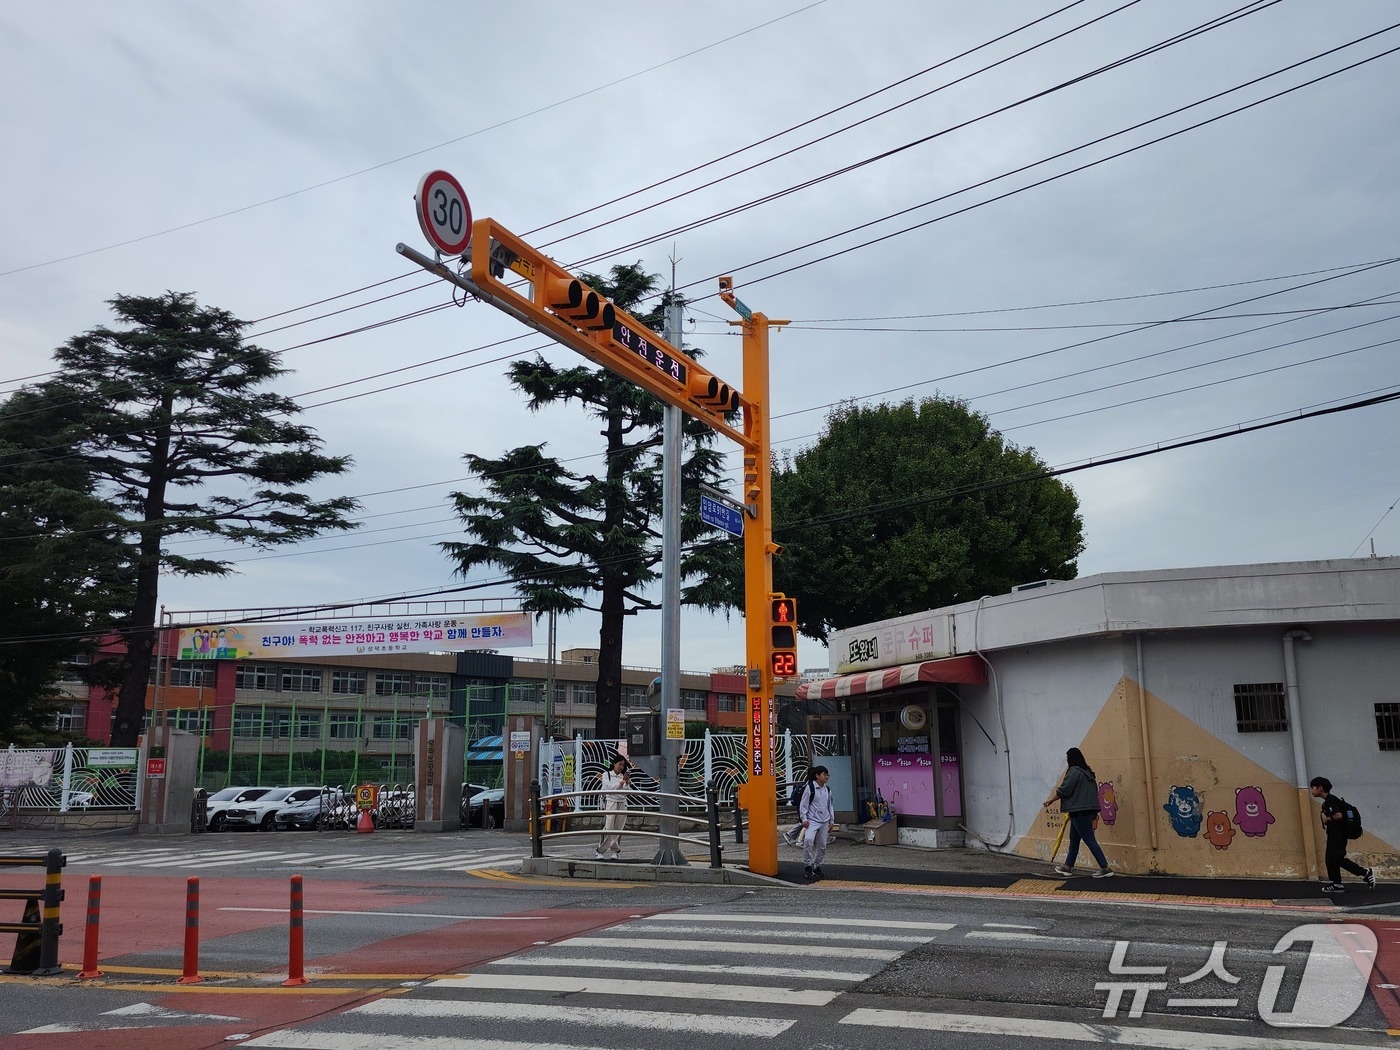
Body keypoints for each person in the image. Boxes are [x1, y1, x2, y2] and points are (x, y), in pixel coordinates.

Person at [1043, 747, 1113, 878]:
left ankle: (1105, 867)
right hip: (1088, 810)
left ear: (1071, 759)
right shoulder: (1088, 773)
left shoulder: (1074, 772)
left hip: (1079, 811)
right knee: (1074, 840)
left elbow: (1065, 789)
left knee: (1089, 840)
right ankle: (1067, 867)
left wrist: (1051, 800)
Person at [1308, 776, 1375, 893]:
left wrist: (1327, 819)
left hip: (1338, 835)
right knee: (1330, 859)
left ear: (1320, 788)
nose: (1311, 790)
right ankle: (1336, 884)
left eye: (1313, 787)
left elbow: (1338, 815)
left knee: (1337, 858)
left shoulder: (1331, 800)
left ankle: (1365, 873)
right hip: (1334, 834)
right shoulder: (1328, 801)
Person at [799, 765, 837, 880]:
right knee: (808, 840)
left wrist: (831, 821)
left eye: (827, 775)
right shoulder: (810, 788)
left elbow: (830, 806)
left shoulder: (827, 789)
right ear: (817, 775)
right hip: (812, 820)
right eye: (824, 774)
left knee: (822, 845)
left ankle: (817, 866)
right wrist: (804, 819)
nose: (826, 777)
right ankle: (808, 865)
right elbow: (803, 804)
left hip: (825, 820)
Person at [596, 754, 630, 860]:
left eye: (623, 765)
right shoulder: (607, 774)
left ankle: (615, 850)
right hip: (610, 801)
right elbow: (608, 788)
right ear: (614, 764)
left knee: (618, 827)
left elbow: (627, 791)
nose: (621, 767)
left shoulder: (623, 776)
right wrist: (621, 783)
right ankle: (600, 850)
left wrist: (626, 782)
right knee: (608, 826)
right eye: (619, 764)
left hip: (622, 802)